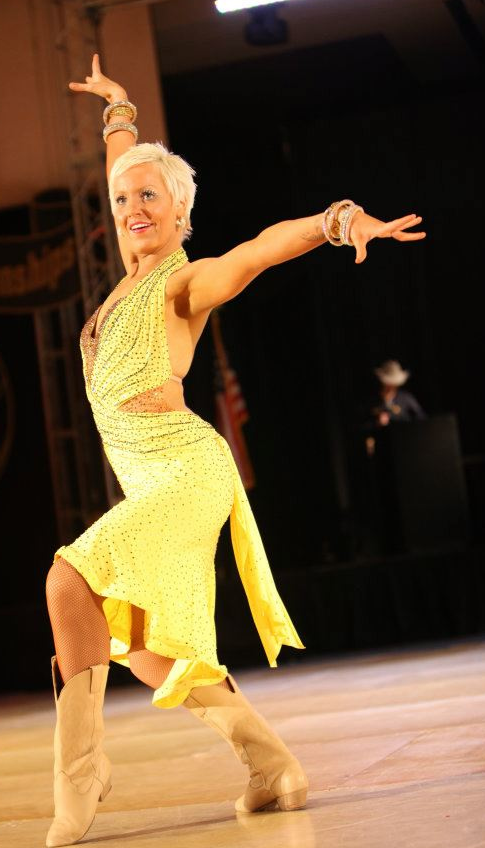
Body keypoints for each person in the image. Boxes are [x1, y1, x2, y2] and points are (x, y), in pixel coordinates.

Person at [44, 55, 426, 847]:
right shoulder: (125, 277)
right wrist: (119, 112)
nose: (133, 207)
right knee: (149, 649)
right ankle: (271, 766)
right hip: (149, 478)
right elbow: (125, 166)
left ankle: (80, 776)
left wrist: (334, 224)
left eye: (150, 196)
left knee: (66, 580)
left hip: (186, 467)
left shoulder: (182, 283)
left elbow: (255, 250)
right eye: (123, 201)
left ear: (180, 209)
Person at [369, 359, 427, 427]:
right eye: (387, 384)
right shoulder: (372, 401)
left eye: (393, 384)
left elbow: (422, 419)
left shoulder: (406, 398)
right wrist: (377, 422)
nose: (390, 387)